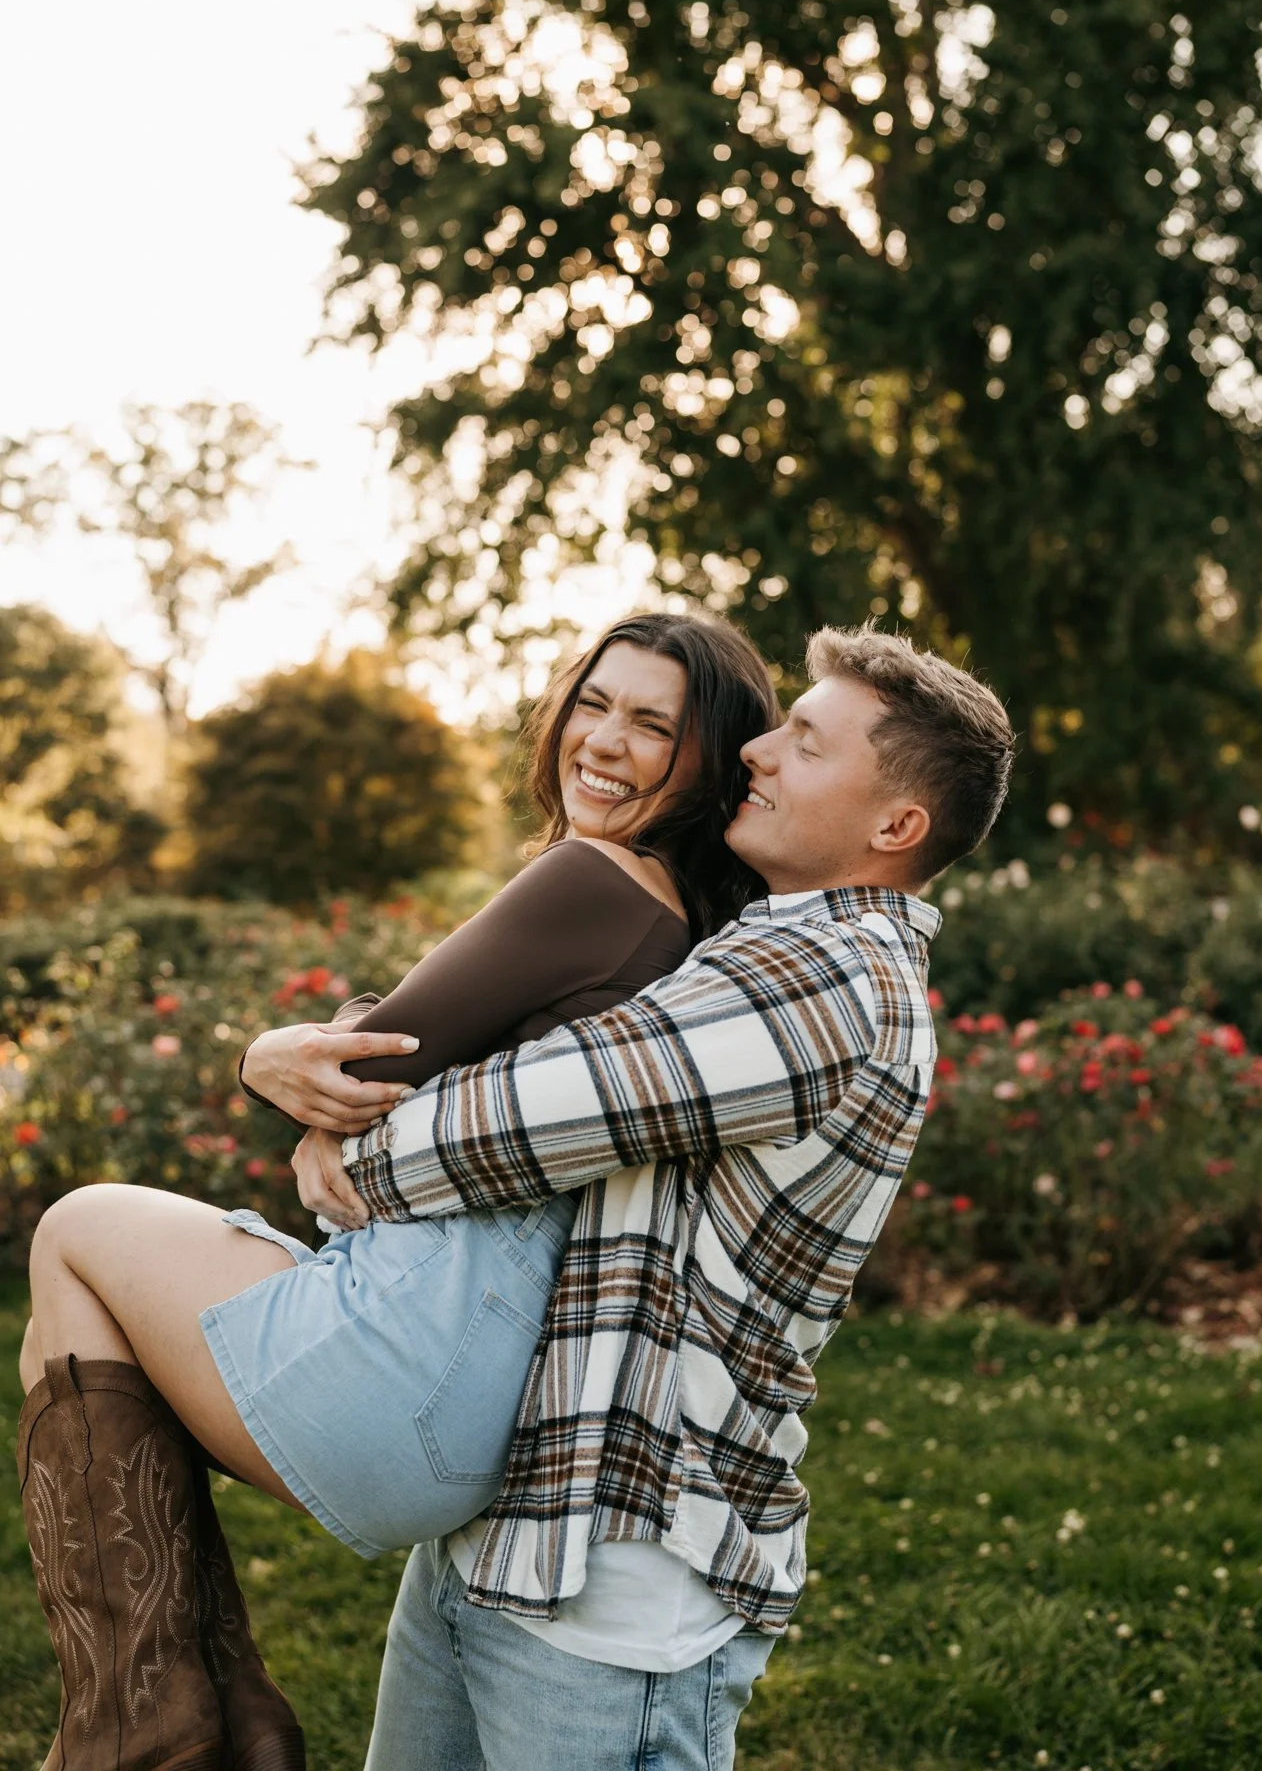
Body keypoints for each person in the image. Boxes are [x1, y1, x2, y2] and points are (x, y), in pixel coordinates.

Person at [16, 611, 778, 1771]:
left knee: (73, 1238)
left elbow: (358, 1057)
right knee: (91, 1283)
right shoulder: (682, 928)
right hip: (483, 1414)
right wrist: (326, 1091)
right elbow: (412, 1054)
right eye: (594, 703)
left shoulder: (592, 880)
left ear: (705, 765)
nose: (604, 742)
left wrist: (266, 1056)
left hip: (399, 1369)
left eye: (652, 726)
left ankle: (170, 1722)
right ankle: (201, 1715)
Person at [269, 625, 1016, 1771]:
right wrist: (313, 1065)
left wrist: (340, 1135)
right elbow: (521, 1055)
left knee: (90, 1233)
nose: (757, 750)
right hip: (513, 1533)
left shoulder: (823, 981)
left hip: (617, 1586)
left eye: (804, 741)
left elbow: (502, 1122)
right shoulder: (761, 946)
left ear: (895, 825)